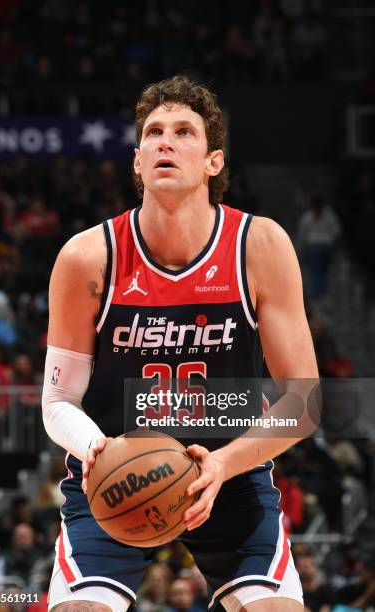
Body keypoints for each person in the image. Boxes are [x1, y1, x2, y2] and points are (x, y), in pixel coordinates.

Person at [42, 75, 319, 611]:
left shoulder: (258, 245)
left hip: (231, 474)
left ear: (214, 162)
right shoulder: (87, 257)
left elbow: (303, 402)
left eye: (184, 132)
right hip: (114, 481)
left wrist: (223, 464)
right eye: (154, 133)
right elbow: (57, 402)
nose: (166, 141)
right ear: (139, 161)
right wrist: (100, 451)